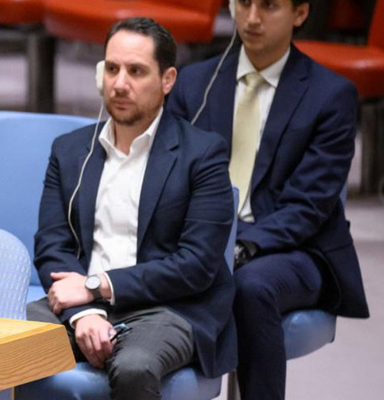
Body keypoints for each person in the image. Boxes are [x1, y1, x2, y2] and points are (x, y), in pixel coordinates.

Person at [166, 1, 370, 398]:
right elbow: (169, 179)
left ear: (300, 13)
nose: (252, 18)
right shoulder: (194, 84)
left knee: (250, 286)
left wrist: (238, 244)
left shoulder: (331, 96)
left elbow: (308, 207)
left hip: (294, 249)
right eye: (244, 3)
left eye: (269, 6)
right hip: (202, 239)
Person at [28, 18, 236, 400]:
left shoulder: (203, 154)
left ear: (167, 79)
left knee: (134, 367)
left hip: (168, 307)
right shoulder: (70, 150)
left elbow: (197, 264)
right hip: (81, 305)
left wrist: (96, 287)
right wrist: (83, 313)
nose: (119, 83)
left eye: (136, 71)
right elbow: (52, 246)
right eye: (111, 69)